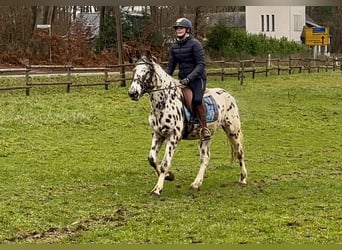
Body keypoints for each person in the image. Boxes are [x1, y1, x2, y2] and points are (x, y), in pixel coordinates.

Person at [166, 17, 211, 141]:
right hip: (183, 80)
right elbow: (171, 66)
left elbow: (201, 64)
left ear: (187, 30)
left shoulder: (195, 44)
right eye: (177, 28)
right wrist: (165, 79)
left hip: (197, 79)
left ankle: (204, 128)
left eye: (181, 28)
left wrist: (189, 78)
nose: (178, 30)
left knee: (196, 100)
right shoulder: (174, 47)